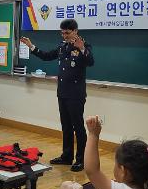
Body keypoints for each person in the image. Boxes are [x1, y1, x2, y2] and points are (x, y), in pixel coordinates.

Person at [20, 19, 94, 172]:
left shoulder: (84, 45)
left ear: (75, 31)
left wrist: (82, 50)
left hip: (76, 94)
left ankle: (81, 160)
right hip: (63, 92)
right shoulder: (62, 46)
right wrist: (31, 47)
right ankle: (67, 156)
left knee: (78, 127)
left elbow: (90, 62)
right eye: (62, 32)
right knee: (66, 126)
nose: (64, 35)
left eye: (67, 32)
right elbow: (47, 56)